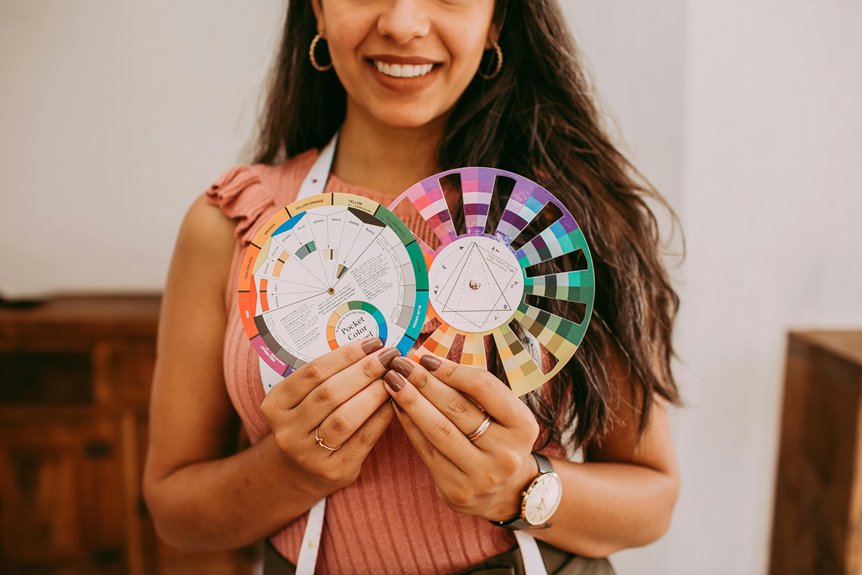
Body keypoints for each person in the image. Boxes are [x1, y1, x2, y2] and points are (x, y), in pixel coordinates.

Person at [143, 0, 682, 573]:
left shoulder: (557, 228)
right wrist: (290, 471)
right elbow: (175, 512)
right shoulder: (235, 224)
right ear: (318, 10)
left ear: (497, 20)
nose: (402, 24)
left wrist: (520, 488)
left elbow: (652, 501)